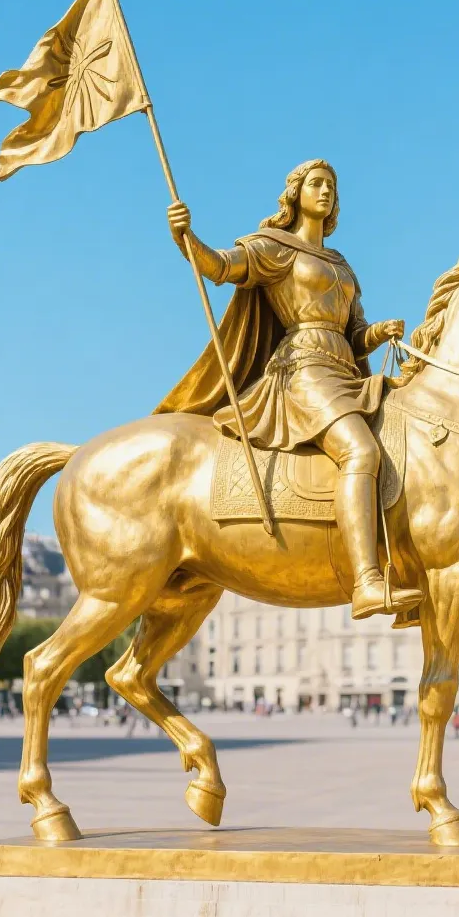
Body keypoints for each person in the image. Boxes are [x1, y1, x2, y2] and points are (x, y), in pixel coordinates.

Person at [161, 161, 425, 621]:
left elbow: (353, 333)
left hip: (346, 372)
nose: (326, 192)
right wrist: (188, 240)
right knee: (361, 453)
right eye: (316, 184)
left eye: (332, 186)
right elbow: (223, 268)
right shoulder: (275, 248)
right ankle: (366, 580)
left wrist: (377, 331)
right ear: (296, 193)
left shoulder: (342, 265)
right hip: (303, 371)